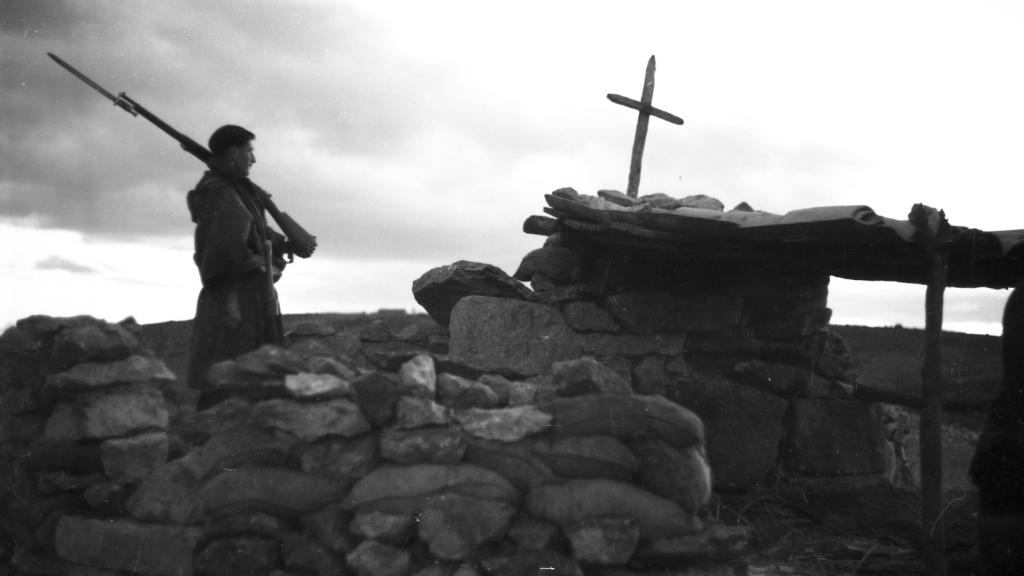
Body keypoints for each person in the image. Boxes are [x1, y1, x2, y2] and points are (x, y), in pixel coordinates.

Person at [185, 125, 290, 402]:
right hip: (237, 294)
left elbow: (253, 228)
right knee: (234, 372)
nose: (253, 159)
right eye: (248, 152)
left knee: (243, 371)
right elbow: (229, 247)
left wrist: (283, 244)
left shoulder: (232, 189)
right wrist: (262, 265)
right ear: (233, 153)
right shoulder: (222, 191)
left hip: (245, 292)